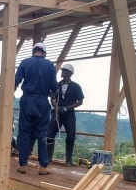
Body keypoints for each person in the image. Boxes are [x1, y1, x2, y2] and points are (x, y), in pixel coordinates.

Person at [14, 42, 58, 175]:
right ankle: (43, 166)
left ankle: (22, 165)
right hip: (42, 102)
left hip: (27, 99)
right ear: (44, 53)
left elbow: (16, 81)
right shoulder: (50, 65)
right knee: (42, 133)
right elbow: (55, 87)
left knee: (24, 132)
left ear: (34, 51)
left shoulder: (25, 63)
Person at [45, 63, 84, 166]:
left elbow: (80, 101)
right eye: (62, 71)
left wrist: (68, 107)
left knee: (71, 135)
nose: (62, 72)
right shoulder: (57, 85)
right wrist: (56, 106)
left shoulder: (76, 87)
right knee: (50, 134)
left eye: (65, 71)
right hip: (57, 112)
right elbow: (52, 98)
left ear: (70, 73)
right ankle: (48, 158)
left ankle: (68, 159)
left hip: (69, 114)